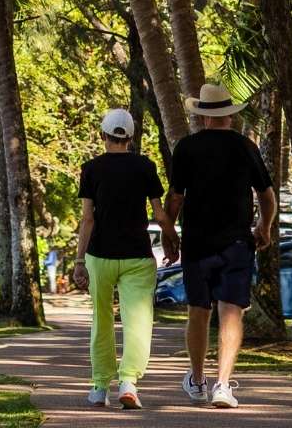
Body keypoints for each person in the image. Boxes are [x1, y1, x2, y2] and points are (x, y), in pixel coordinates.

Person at [166, 84, 277, 409]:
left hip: (198, 243)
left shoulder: (186, 147)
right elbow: (266, 195)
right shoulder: (246, 147)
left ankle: (198, 381)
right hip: (237, 242)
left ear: (202, 114)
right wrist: (264, 227)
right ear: (231, 114)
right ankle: (223, 386)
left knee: (198, 312)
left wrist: (170, 233)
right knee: (231, 313)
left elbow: (176, 197)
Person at [73, 108, 179, 410]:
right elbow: (159, 214)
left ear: (104, 135)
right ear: (131, 137)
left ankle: (98, 386)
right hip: (137, 256)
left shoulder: (91, 168)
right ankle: (129, 381)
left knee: (101, 321)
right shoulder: (145, 166)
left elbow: (88, 220)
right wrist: (172, 239)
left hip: (100, 256)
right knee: (138, 322)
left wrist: (79, 261)